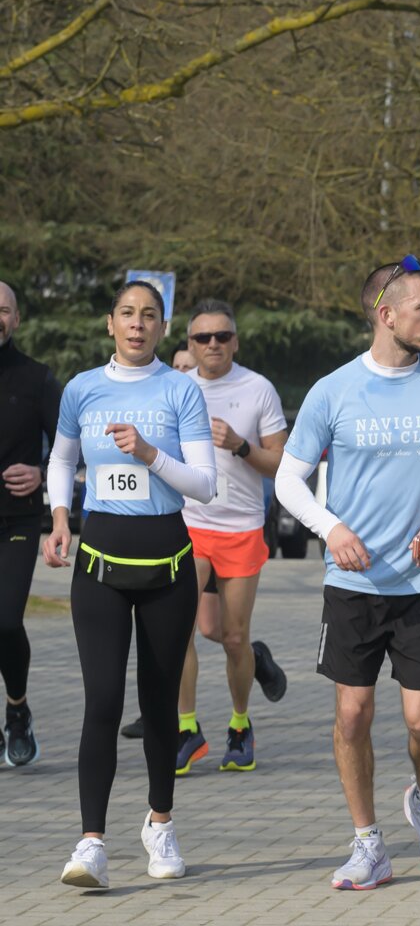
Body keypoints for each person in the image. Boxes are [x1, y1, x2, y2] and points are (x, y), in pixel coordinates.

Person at [275, 255, 420, 890]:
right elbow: (288, 480)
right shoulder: (333, 390)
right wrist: (331, 529)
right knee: (353, 716)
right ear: (386, 314)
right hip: (355, 584)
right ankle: (368, 843)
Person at [47, 281, 218, 887]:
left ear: (162, 327)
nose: (137, 324)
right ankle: (91, 842)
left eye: (149, 315)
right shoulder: (82, 388)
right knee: (102, 702)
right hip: (99, 566)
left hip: (167, 568)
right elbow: (62, 458)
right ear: (111, 323)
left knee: (159, 703)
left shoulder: (181, 390)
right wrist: (60, 517)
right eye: (127, 313)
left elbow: (205, 485)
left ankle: (160, 822)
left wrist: (149, 453)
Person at [160, 300, 288, 775]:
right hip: (189, 524)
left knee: (231, 636)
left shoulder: (258, 389)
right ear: (189, 344)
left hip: (240, 527)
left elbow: (281, 463)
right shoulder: (175, 388)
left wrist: (240, 445)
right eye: (202, 337)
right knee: (179, 631)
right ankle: (187, 729)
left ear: (235, 341)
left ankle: (239, 723)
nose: (212, 344)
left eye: (222, 336)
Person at [0, 280, 60, 768]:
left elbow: (67, 448)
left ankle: (17, 710)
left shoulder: (38, 378)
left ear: (16, 319)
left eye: (3, 310)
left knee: (5, 621)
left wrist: (41, 472)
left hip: (17, 519)